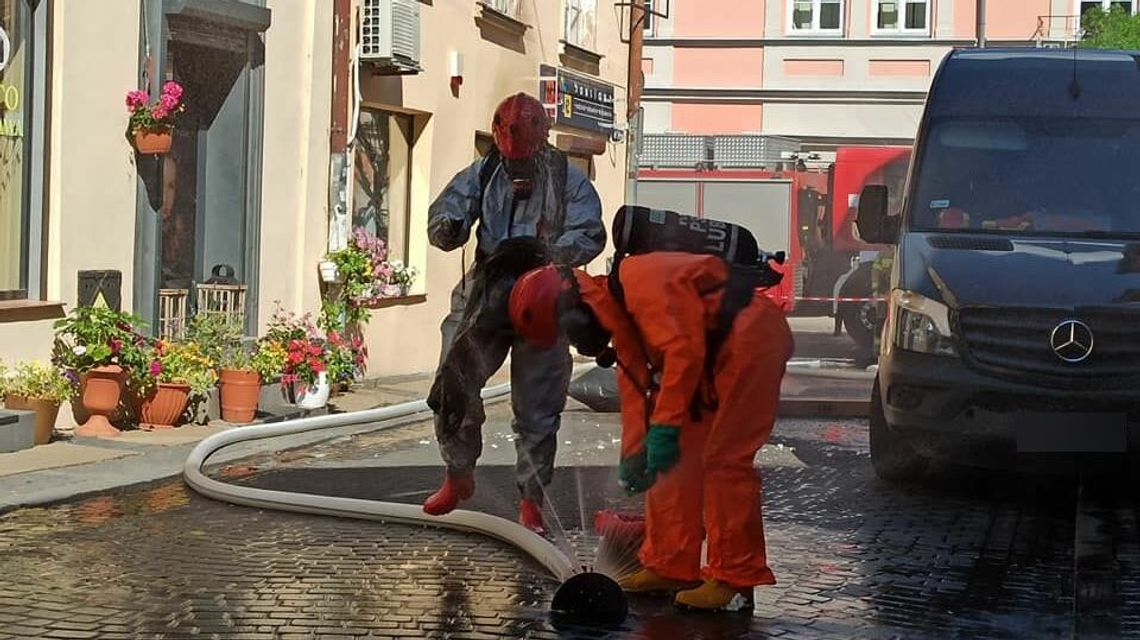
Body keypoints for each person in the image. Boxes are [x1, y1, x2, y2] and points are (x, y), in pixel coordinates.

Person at [507, 253, 793, 611]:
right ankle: (670, 563)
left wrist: (665, 428)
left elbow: (682, 353)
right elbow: (635, 387)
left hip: (752, 341)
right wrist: (635, 453)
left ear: (572, 307)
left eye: (570, 332)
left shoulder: (638, 279)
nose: (578, 341)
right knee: (674, 460)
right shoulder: (619, 308)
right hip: (714, 354)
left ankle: (734, 577)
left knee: (725, 461)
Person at [423, 92, 606, 534]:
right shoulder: (485, 171)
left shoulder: (567, 178)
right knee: (455, 381)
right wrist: (448, 227)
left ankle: (531, 499)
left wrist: (553, 252)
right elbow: (446, 215)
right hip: (488, 287)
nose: (519, 171)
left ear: (542, 138)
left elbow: (593, 233)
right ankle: (458, 474)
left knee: (538, 403)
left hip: (543, 293)